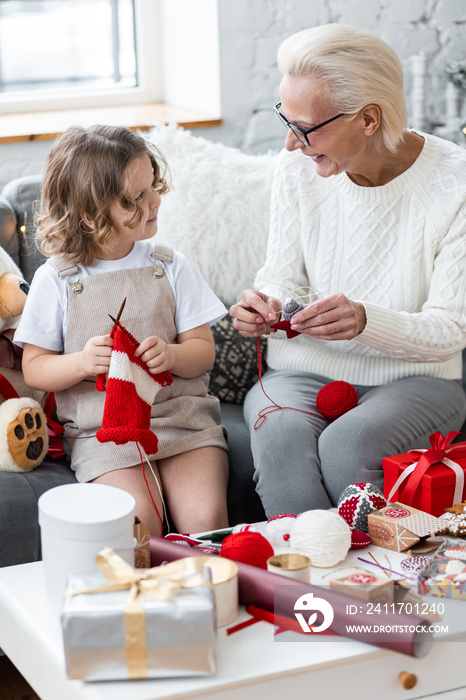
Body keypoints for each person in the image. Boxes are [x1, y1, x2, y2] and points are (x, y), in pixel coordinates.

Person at [230, 24, 466, 519]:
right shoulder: (294, 170)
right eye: (286, 120)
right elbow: (282, 275)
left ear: (369, 119)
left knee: (346, 447)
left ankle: (368, 590)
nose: (292, 144)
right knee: (278, 438)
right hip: (300, 370)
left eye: (307, 128)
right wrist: (266, 303)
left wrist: (365, 321)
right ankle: (312, 590)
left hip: (417, 379)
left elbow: (452, 329)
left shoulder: (454, 183)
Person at [15, 124, 229, 537]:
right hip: (104, 437)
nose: (155, 201)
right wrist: (79, 363)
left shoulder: (169, 264)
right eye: (136, 198)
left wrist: (173, 355)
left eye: (153, 187)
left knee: (206, 524)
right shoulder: (57, 279)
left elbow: (204, 350)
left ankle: (210, 595)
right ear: (88, 215)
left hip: (184, 422)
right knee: (138, 527)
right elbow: (35, 369)